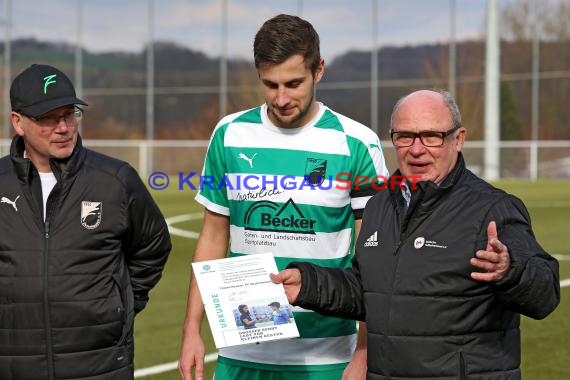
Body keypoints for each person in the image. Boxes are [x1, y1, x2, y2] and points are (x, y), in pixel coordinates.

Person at [271, 89, 561, 379]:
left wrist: (510, 270)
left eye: (431, 136)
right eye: (405, 136)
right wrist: (307, 284)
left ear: (458, 139)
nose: (417, 149)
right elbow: (370, 292)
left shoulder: (492, 209)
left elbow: (545, 293)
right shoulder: (379, 206)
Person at [178, 13, 389, 380]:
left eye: (294, 83)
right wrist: (190, 331)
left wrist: (365, 351)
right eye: (270, 85)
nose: (281, 98)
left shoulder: (357, 143)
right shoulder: (229, 134)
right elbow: (213, 236)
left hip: (327, 355)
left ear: (319, 70)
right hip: (241, 349)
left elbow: (371, 255)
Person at [0, 63, 172, 379]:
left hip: (99, 364)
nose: (63, 127)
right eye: (48, 118)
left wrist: (118, 304)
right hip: (13, 363)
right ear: (18, 122)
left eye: (69, 114)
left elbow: (153, 245)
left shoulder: (115, 180)